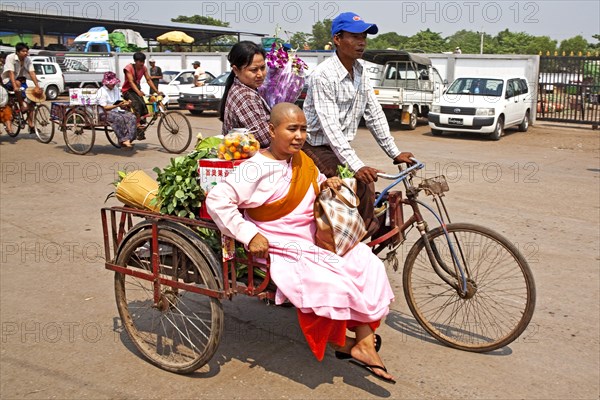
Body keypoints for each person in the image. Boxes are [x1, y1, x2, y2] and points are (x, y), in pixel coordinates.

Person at [206, 103, 396, 384]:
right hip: (279, 241)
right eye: (291, 129)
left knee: (366, 262)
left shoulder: (302, 160)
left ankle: (364, 343)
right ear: (271, 130)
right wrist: (249, 235)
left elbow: (314, 182)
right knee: (333, 279)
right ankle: (341, 343)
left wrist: (328, 182)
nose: (299, 136)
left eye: (303, 129)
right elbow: (217, 200)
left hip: (312, 234)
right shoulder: (254, 167)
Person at [302, 12, 414, 238]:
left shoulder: (361, 71)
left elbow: (374, 113)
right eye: (354, 36)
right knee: (362, 184)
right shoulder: (323, 75)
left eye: (363, 36)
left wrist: (395, 152)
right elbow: (330, 126)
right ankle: (349, 242)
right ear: (337, 39)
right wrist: (356, 165)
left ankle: (359, 234)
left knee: (367, 186)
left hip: (336, 148)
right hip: (314, 147)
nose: (361, 42)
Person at [219, 41, 271, 148]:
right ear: (236, 70)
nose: (260, 74)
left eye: (262, 68)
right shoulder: (246, 97)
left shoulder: (243, 88)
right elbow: (266, 139)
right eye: (253, 70)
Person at [1, 42, 44, 133]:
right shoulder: (10, 57)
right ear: (18, 52)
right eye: (23, 51)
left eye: (26, 51)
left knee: (31, 101)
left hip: (21, 80)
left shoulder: (27, 59)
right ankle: (21, 104)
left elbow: (32, 73)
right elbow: (11, 73)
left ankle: (31, 125)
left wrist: (37, 86)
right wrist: (15, 86)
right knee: (17, 84)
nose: (26, 53)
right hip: (9, 81)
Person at [121, 52, 162, 132]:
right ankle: (137, 124)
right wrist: (138, 92)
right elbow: (131, 82)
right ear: (136, 61)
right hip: (127, 90)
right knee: (136, 104)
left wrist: (157, 91)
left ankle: (141, 128)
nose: (142, 63)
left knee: (144, 105)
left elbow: (148, 80)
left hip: (136, 90)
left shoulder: (144, 68)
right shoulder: (128, 68)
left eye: (143, 61)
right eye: (140, 62)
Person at [96, 71, 136, 149]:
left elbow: (120, 101)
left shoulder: (116, 89)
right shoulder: (101, 92)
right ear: (106, 83)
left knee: (132, 116)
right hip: (104, 113)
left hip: (116, 110)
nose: (113, 84)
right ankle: (123, 139)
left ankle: (129, 139)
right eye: (112, 83)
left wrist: (126, 103)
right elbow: (104, 107)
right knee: (119, 118)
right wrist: (117, 105)